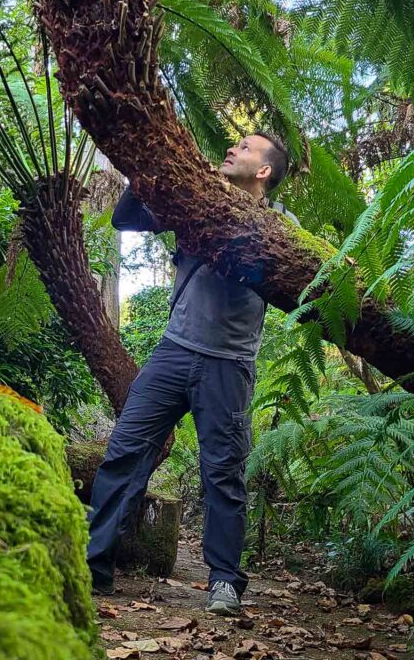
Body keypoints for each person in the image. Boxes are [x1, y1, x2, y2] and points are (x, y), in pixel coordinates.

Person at [87, 131, 298, 615]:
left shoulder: (283, 224)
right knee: (125, 452)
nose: (231, 149)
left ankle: (224, 582)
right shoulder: (195, 201)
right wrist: (144, 169)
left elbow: (278, 277)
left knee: (223, 473)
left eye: (245, 148)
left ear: (264, 171)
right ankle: (94, 563)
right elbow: (125, 219)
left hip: (229, 364)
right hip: (173, 353)